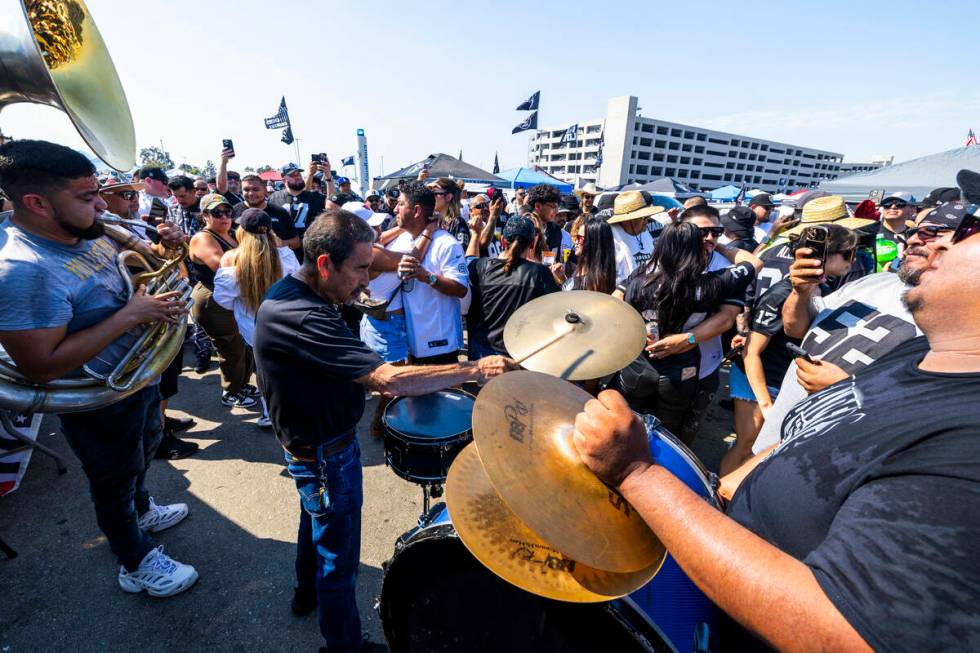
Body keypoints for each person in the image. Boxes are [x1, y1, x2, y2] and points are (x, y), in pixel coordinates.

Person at [572, 211, 980, 652]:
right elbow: (821, 420)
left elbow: (848, 631)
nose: (939, 245)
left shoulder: (966, 441)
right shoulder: (919, 347)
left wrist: (638, 474)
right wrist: (734, 479)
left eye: (967, 237)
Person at [253, 209, 516, 653]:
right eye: (360, 270)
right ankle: (345, 646)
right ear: (323, 265)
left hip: (308, 448)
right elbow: (389, 380)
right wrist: (476, 367)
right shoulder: (301, 315)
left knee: (311, 523)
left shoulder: (293, 293)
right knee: (339, 561)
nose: (364, 282)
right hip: (324, 456)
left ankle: (305, 595)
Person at [0, 140, 198, 596]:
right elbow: (41, 367)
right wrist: (132, 314)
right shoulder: (23, 268)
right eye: (87, 198)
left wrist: (162, 253)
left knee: (145, 448)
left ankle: (143, 507)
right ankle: (134, 559)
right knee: (112, 481)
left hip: (134, 375)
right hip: (96, 399)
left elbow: (129, 273)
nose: (101, 206)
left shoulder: (87, 228)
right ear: (36, 203)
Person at [749, 202, 966, 455]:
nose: (914, 239)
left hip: (832, 462)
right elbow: (795, 328)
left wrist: (849, 391)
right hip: (775, 440)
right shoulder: (873, 281)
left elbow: (942, 415)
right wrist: (800, 291)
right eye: (915, 231)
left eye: (933, 233)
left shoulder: (963, 321)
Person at [721, 224, 857, 475]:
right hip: (756, 378)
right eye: (847, 254)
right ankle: (716, 498)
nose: (854, 260)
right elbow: (751, 352)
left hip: (782, 380)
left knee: (763, 451)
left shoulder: (823, 289)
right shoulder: (782, 293)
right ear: (824, 256)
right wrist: (765, 405)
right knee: (746, 445)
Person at [612, 222, 761, 440]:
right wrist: (718, 246)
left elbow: (617, 300)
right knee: (667, 434)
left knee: (623, 421)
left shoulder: (640, 277)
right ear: (695, 248)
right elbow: (754, 262)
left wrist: (639, 329)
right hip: (682, 368)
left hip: (640, 362)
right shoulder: (712, 283)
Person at [213, 208, 299, 428]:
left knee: (264, 371)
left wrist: (243, 301)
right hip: (287, 323)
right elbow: (298, 287)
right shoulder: (286, 254)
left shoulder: (231, 259)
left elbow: (222, 299)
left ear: (241, 230)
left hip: (254, 330)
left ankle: (270, 413)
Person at [188, 195, 258, 409]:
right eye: (217, 213)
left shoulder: (231, 235)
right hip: (213, 299)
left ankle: (242, 384)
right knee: (230, 347)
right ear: (205, 216)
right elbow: (222, 267)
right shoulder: (203, 238)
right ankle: (232, 391)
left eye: (228, 212)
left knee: (243, 344)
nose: (224, 217)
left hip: (232, 297)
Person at [393, 182, 469, 363]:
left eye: (401, 204)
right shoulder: (402, 239)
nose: (395, 209)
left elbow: (460, 289)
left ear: (417, 211)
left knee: (444, 392)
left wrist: (427, 277)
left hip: (440, 344)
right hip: (411, 344)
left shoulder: (446, 243)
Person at [465, 216, 560, 359]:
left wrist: (476, 234)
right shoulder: (540, 273)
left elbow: (469, 260)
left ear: (503, 240)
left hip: (482, 356)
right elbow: (556, 310)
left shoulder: (481, 267)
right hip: (520, 357)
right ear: (533, 243)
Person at [270, 163, 326, 259]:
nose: (298, 177)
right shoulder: (275, 198)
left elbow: (333, 203)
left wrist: (328, 176)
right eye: (292, 175)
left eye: (298, 174)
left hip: (310, 253)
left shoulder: (315, 197)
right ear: (284, 179)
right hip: (284, 255)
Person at [232, 174, 300, 249]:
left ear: (264, 190)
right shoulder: (233, 212)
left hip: (275, 259)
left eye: (255, 189)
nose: (251, 193)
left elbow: (296, 242)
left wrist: (278, 244)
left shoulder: (279, 212)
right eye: (246, 190)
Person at [607, 190, 661, 282]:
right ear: (628, 219)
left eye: (647, 216)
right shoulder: (610, 238)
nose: (647, 221)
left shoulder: (644, 233)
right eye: (643, 217)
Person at [565, 216, 621, 293]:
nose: (575, 242)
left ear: (593, 242)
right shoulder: (584, 266)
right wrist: (562, 280)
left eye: (579, 238)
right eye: (576, 237)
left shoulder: (598, 280)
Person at [526, 184, 574, 265]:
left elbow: (551, 261)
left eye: (557, 207)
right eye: (553, 207)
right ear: (538, 206)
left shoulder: (555, 230)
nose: (556, 211)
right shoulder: (524, 227)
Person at [427, 176, 468, 251]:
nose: (430, 197)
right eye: (430, 193)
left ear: (448, 197)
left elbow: (459, 253)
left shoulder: (457, 223)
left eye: (435, 193)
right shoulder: (429, 219)